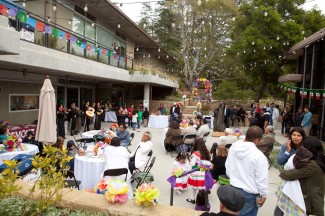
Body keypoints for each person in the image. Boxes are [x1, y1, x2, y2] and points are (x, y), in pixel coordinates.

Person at [225, 126, 268, 216]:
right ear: (257, 140)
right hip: (249, 193)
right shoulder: (259, 156)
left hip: (233, 187)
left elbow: (228, 166)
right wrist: (264, 194)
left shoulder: (234, 147)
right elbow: (261, 178)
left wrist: (234, 178)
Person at [277, 136, 325, 216]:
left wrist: (283, 172)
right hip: (315, 199)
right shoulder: (320, 160)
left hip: (311, 203)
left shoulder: (312, 165)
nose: (301, 149)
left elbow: (289, 174)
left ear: (309, 149)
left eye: (303, 147)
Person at [274, 146, 314, 216]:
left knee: (282, 205)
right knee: (282, 206)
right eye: (306, 160)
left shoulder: (297, 157)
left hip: (287, 182)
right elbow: (281, 162)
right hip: (288, 184)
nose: (308, 161)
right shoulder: (295, 161)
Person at [186, 138, 211, 204]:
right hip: (205, 172)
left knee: (193, 186)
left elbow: (192, 164)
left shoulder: (196, 153)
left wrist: (189, 161)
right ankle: (202, 201)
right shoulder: (207, 151)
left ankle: (193, 199)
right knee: (202, 186)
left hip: (196, 172)